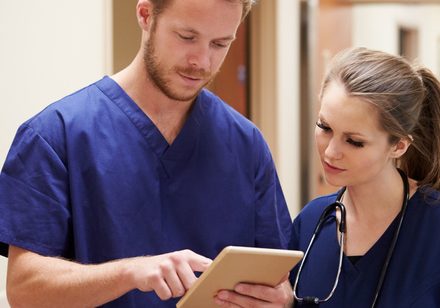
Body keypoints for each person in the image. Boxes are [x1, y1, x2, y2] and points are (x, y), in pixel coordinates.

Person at [0, 0, 292, 307]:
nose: (202, 61)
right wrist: (131, 272)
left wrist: (282, 298)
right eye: (186, 37)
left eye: (220, 44)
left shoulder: (246, 145)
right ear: (145, 15)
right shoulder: (55, 135)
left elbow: (282, 281)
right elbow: (24, 289)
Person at [287, 47, 440, 307]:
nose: (331, 152)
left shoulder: (432, 226)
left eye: (354, 142)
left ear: (399, 145)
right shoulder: (310, 223)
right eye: (324, 127)